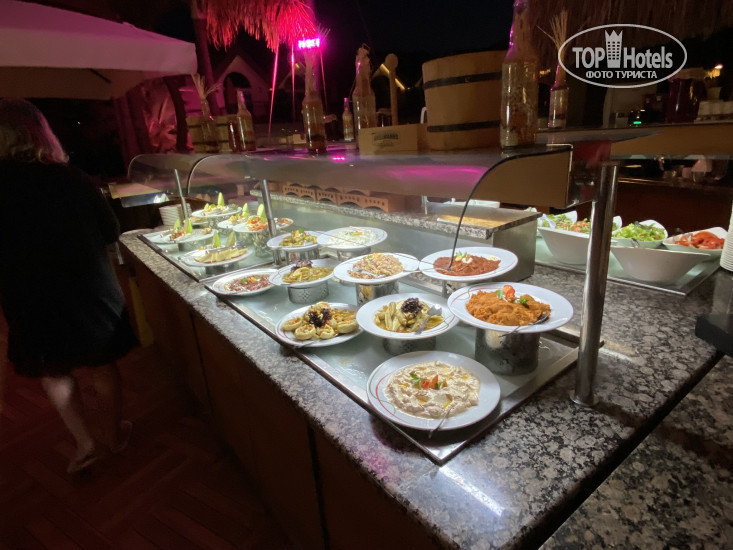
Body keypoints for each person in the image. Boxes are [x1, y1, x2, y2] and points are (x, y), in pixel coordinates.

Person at [0, 98, 138, 474]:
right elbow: (111, 230)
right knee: (101, 364)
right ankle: (113, 436)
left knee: (54, 369)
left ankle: (84, 443)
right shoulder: (71, 179)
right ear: (39, 132)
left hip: (26, 296)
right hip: (87, 290)